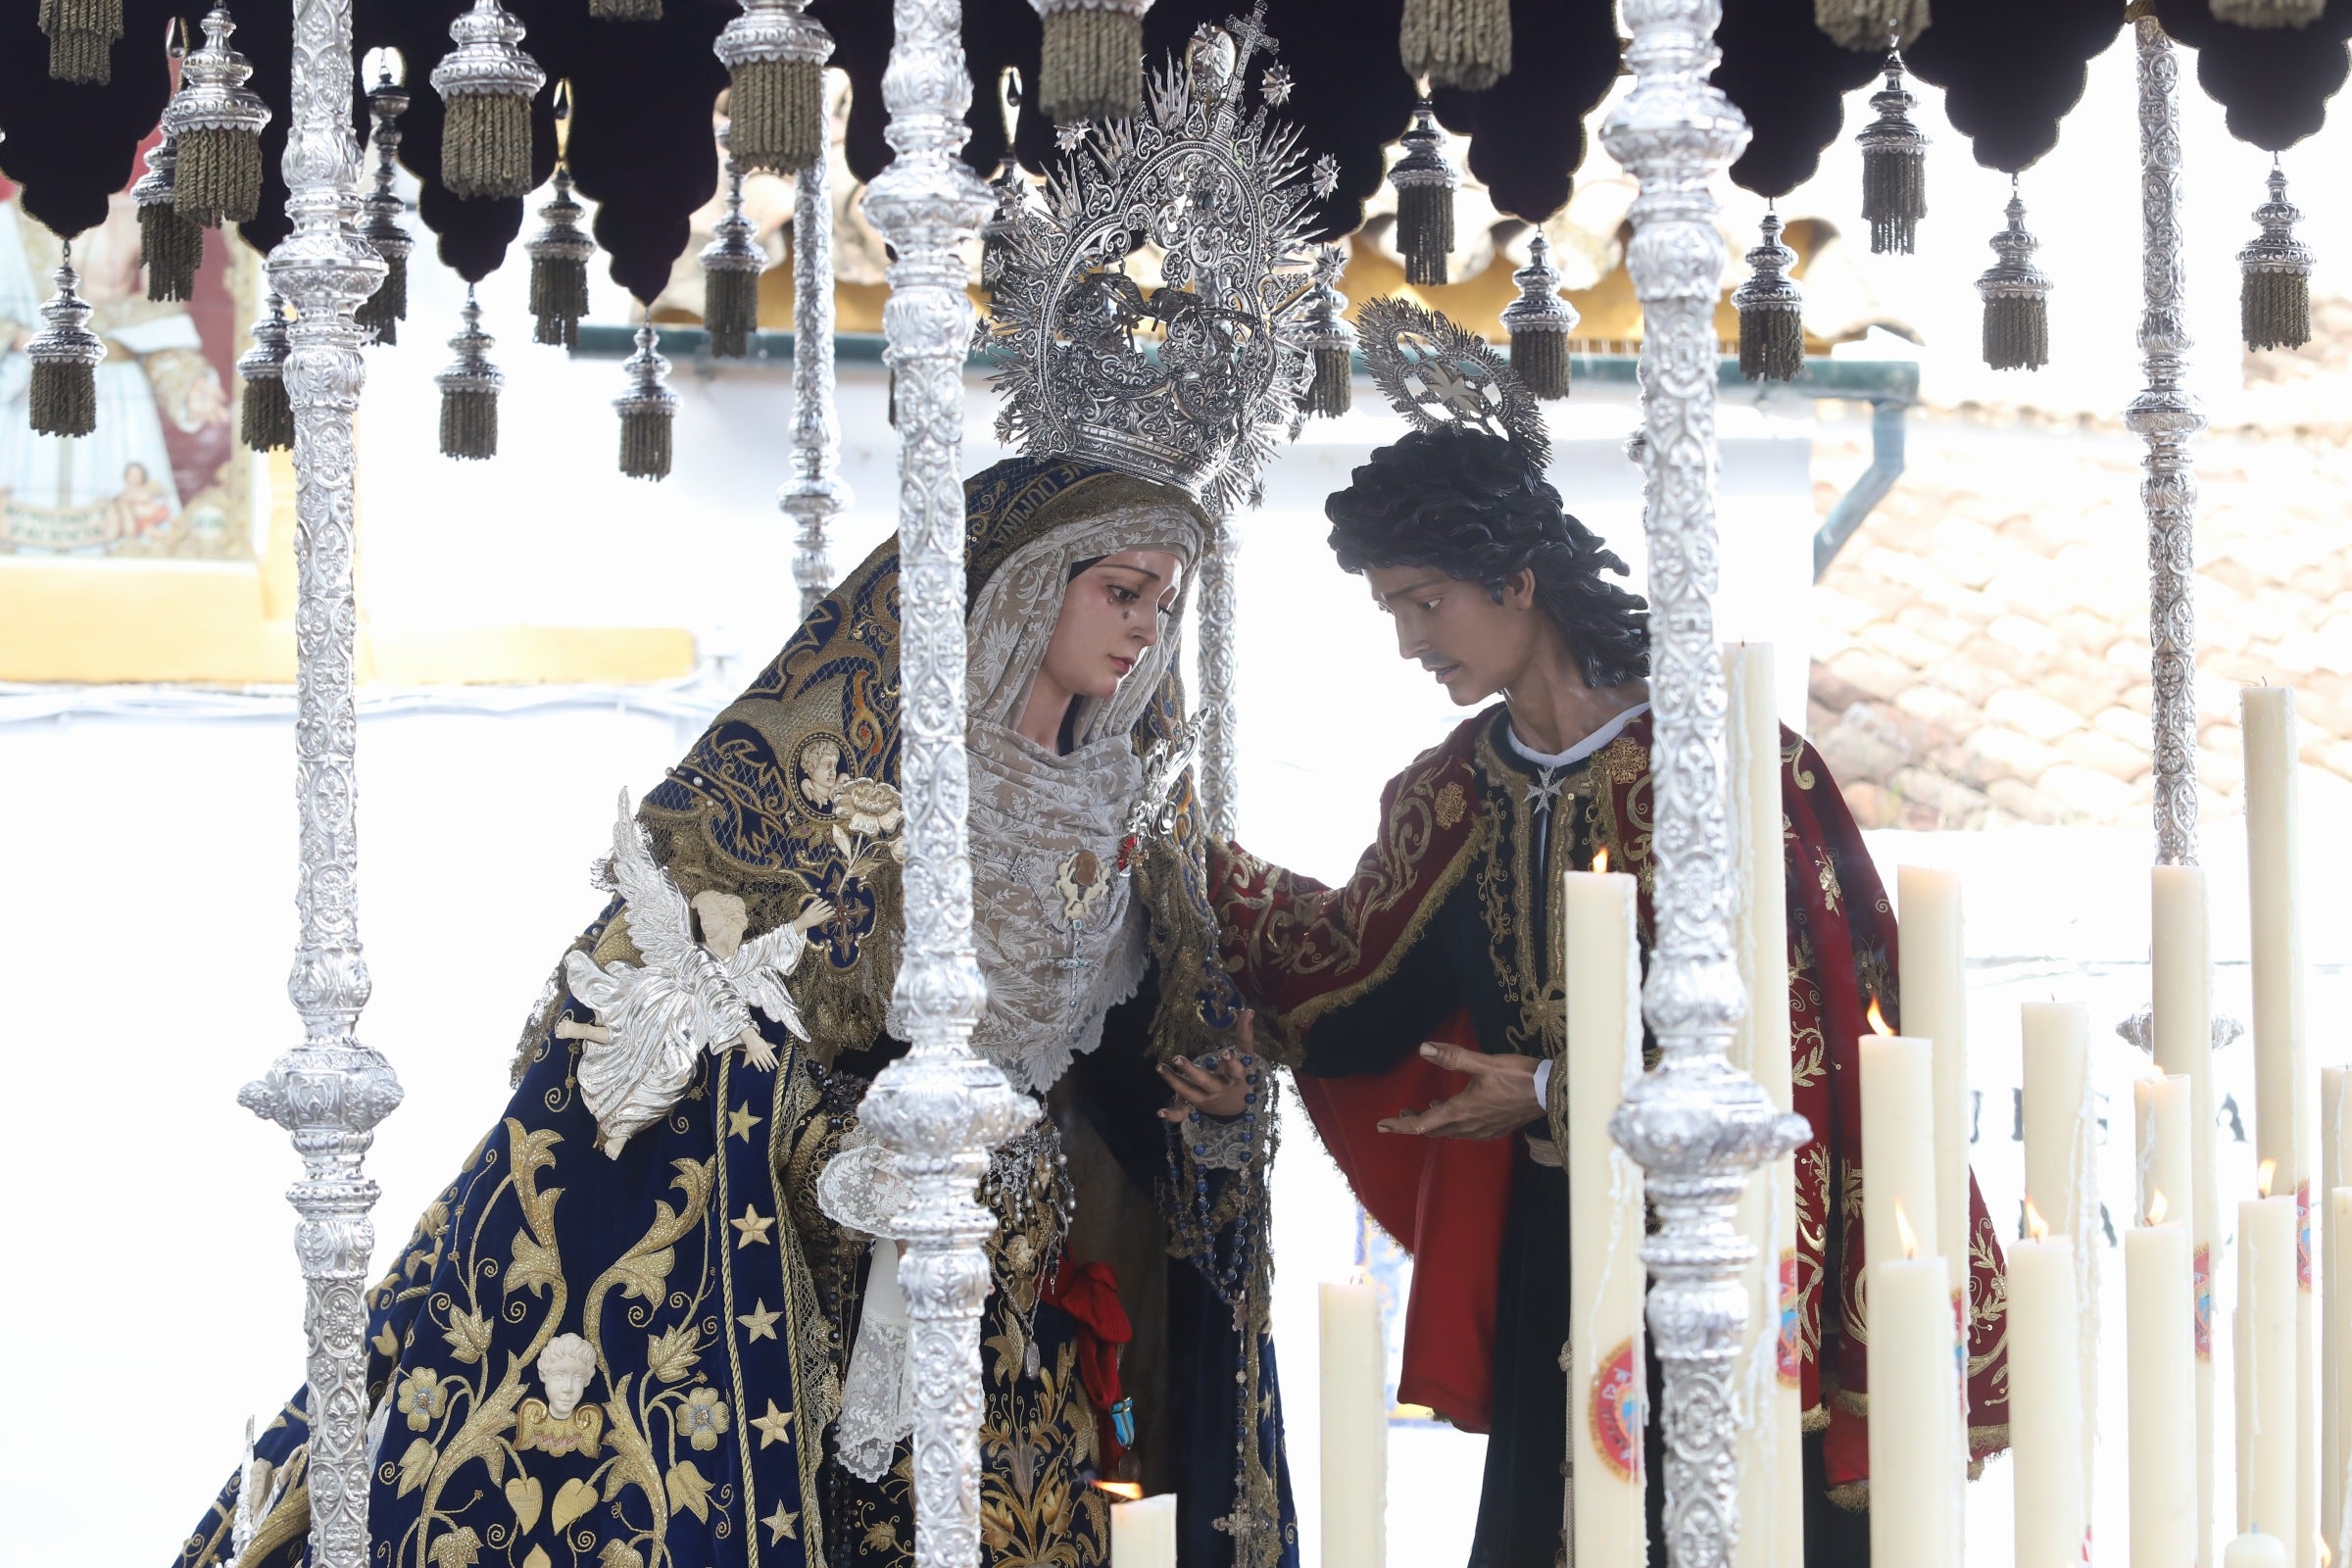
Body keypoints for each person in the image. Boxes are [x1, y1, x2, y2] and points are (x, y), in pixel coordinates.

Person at [172, 456, 1297, 1568]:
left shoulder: (1138, 805)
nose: (1149, 627)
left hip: (1030, 1295)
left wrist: (1208, 1112)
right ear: (1025, 584)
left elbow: (1123, 1062)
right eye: (1124, 590)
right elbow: (703, 1028)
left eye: (1167, 600)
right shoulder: (849, 793)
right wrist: (853, 1148)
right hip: (845, 1285)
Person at [1210, 413, 2011, 1566]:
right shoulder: (1455, 790)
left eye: (1426, 602)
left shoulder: (1725, 769)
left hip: (1733, 1245)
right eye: (1392, 610)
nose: (1408, 643)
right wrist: (1189, 869)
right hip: (1563, 1248)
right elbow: (1345, 970)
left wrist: (1551, 1083)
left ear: (1519, 581)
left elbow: (1797, 1033)